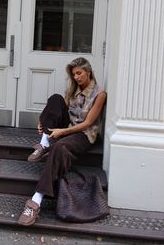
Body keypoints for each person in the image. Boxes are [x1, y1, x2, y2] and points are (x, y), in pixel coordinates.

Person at [18, 57, 107, 226]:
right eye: (74, 74)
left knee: (59, 148)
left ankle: (36, 201)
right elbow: (59, 110)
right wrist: (44, 124)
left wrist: (61, 132)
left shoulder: (99, 94)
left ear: (88, 72)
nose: (76, 77)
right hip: (67, 129)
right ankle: (44, 144)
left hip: (84, 135)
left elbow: (87, 123)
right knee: (55, 99)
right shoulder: (73, 90)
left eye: (79, 73)